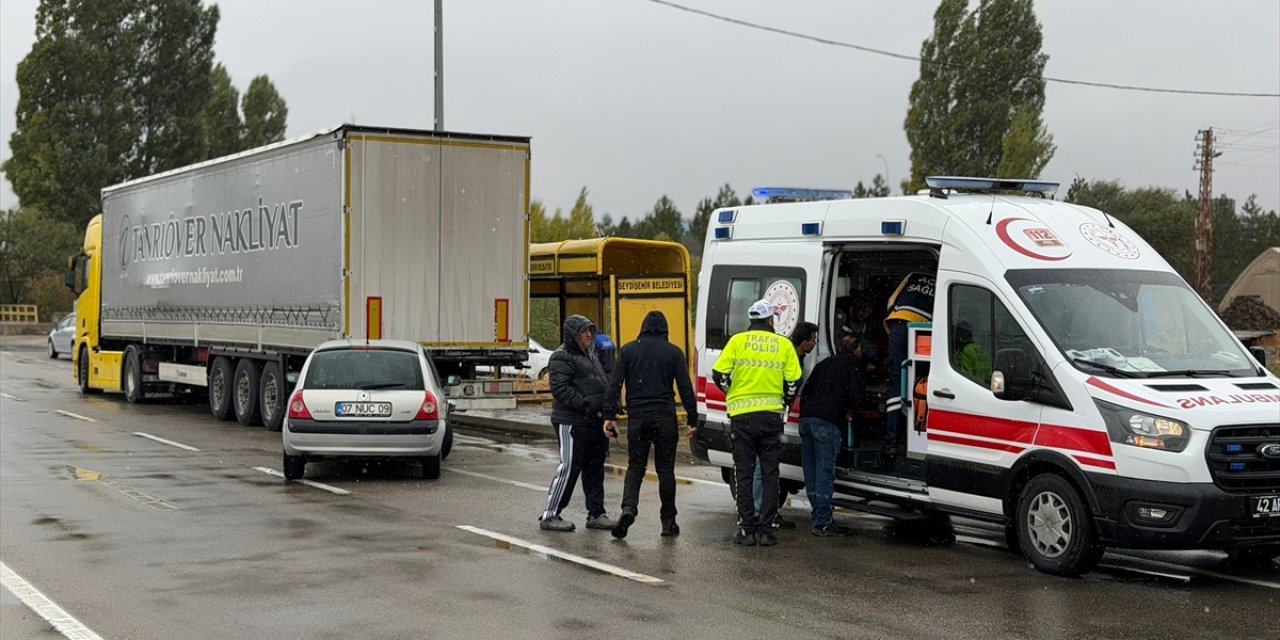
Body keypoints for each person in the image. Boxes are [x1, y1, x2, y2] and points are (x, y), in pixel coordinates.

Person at [713, 299, 803, 547]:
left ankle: (746, 529)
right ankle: (766, 530)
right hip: (772, 417)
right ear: (771, 319)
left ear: (751, 319)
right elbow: (795, 380)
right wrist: (785, 401)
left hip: (742, 418)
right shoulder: (783, 344)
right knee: (770, 474)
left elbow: (719, 374)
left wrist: (730, 391)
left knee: (743, 474)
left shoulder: (737, 341)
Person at [603, 311, 697, 539]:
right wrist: (693, 419)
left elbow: (614, 385)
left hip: (638, 418)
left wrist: (609, 416)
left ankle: (628, 509)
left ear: (643, 327)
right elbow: (685, 388)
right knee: (666, 471)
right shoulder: (674, 352)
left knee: (635, 467)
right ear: (665, 330)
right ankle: (668, 522)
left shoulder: (628, 350)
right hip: (665, 417)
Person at [539, 315, 617, 532]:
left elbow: (601, 382)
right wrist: (585, 404)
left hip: (594, 421)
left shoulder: (591, 355)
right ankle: (551, 514)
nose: (589, 335)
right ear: (574, 335)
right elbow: (561, 389)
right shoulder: (561, 357)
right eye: (584, 331)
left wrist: (609, 406)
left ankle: (596, 513)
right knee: (569, 467)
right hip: (572, 421)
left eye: (590, 331)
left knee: (594, 468)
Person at [749, 320, 818, 531]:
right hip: (769, 415)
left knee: (765, 469)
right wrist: (785, 404)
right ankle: (760, 513)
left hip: (768, 415)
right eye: (813, 339)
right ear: (804, 341)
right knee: (764, 469)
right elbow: (787, 386)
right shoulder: (789, 355)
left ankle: (762, 512)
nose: (815, 343)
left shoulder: (797, 356)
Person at [798, 335, 866, 536]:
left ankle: (817, 514)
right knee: (824, 471)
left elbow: (807, 390)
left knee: (810, 471)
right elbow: (856, 394)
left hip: (807, 418)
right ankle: (822, 522)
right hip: (827, 421)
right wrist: (857, 411)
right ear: (857, 349)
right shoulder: (854, 363)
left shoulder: (824, 363)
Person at [883, 272, 935, 460]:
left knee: (896, 382)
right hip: (923, 329)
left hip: (899, 323)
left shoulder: (912, 275)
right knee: (922, 380)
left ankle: (891, 442)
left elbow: (891, 301)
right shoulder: (942, 278)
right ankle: (918, 435)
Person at [953, 319, 992, 386]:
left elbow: (966, 378)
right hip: (981, 389)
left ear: (961, 336)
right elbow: (989, 377)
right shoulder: (980, 350)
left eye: (956, 334)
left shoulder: (966, 352)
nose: (954, 337)